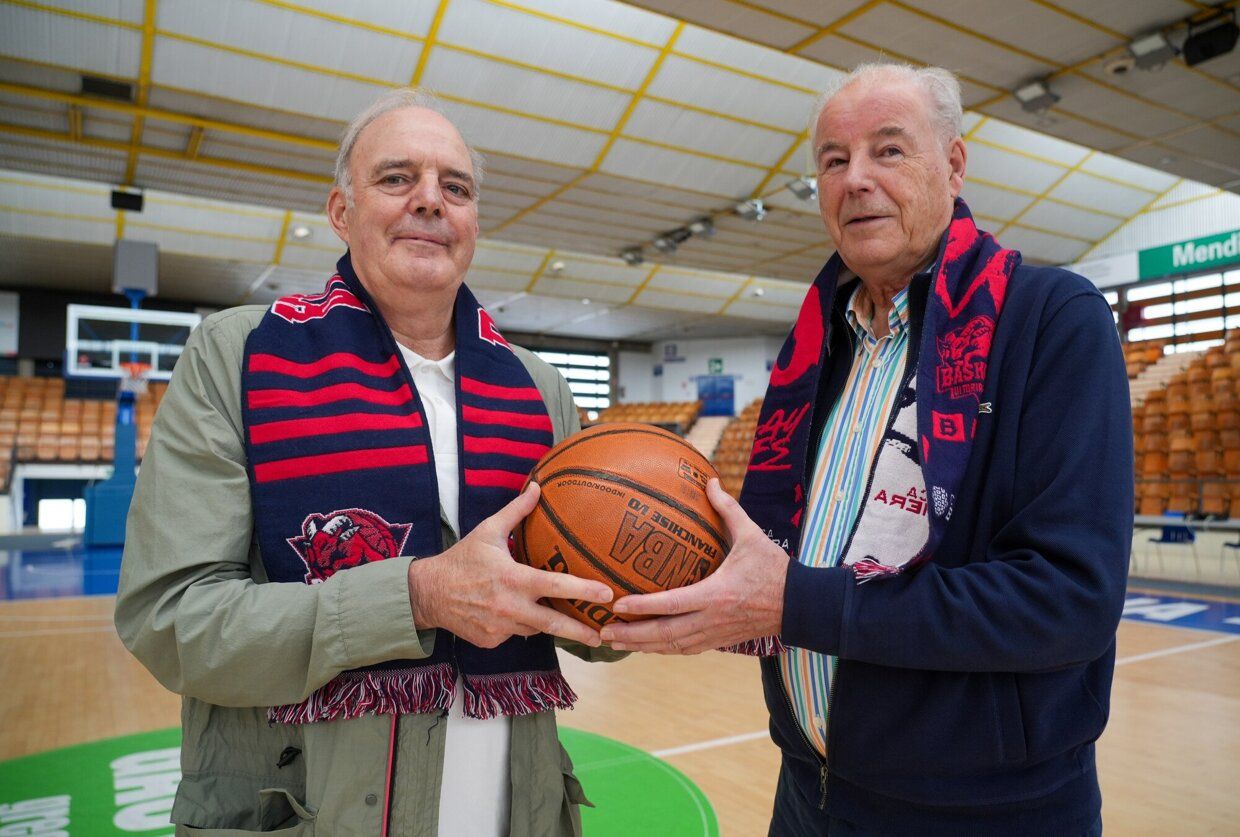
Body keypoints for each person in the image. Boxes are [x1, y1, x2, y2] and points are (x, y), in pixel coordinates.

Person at [601, 63, 1132, 836]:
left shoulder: (1052, 320)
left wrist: (795, 603)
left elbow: (1069, 601)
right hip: (809, 790)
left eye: (888, 150)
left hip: (985, 812)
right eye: (832, 160)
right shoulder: (816, 350)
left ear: (952, 165)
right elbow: (774, 564)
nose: (856, 180)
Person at [114, 89, 622, 835]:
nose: (430, 201)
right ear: (340, 211)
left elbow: (584, 620)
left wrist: (637, 597)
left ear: (474, 221)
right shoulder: (238, 356)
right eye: (396, 178)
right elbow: (170, 620)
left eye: (456, 187)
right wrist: (415, 597)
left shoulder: (540, 389)